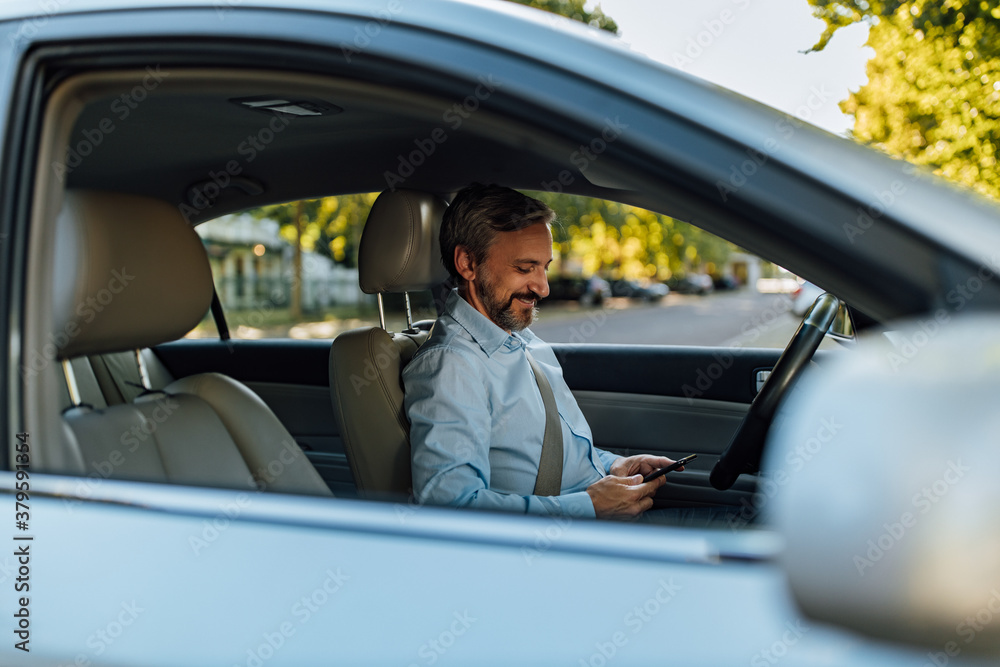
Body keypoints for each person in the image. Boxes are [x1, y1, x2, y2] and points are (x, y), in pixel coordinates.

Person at [403, 183, 681, 519]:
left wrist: (616, 466)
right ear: (467, 263)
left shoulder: (522, 339)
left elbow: (554, 451)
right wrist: (589, 507)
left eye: (545, 267)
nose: (543, 288)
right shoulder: (453, 365)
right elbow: (450, 507)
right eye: (525, 268)